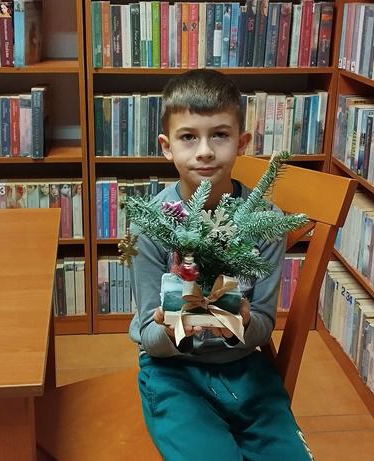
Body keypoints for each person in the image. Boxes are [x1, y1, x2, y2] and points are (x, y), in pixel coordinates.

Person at [128, 69, 314, 460]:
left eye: (220, 135)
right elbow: (150, 337)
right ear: (166, 147)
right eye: (188, 137)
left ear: (241, 142)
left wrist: (241, 320)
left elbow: (262, 325)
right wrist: (171, 328)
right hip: (174, 373)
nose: (205, 151)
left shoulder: (264, 221)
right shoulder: (152, 224)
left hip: (245, 370)